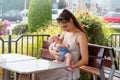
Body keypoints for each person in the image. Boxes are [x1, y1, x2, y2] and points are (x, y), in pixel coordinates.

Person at [18, 9, 88, 80]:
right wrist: (52, 52)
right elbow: (54, 45)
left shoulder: (80, 36)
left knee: (36, 75)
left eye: (65, 26)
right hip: (57, 64)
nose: (64, 29)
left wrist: (72, 66)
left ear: (71, 20)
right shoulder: (65, 33)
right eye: (62, 28)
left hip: (68, 69)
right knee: (25, 73)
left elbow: (85, 60)